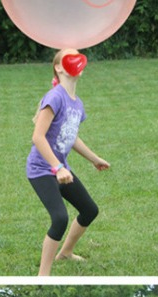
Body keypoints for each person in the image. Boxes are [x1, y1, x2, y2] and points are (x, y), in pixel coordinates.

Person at [27, 48, 110, 276]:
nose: (76, 58)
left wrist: (95, 159)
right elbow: (37, 137)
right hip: (41, 169)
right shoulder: (55, 97)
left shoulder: (77, 103)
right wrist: (58, 167)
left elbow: (71, 137)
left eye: (77, 55)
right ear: (58, 67)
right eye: (69, 56)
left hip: (60, 169)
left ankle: (65, 253)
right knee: (60, 218)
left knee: (89, 210)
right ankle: (43, 276)